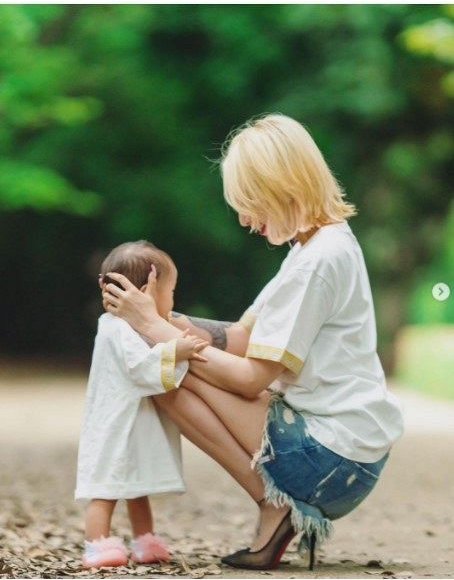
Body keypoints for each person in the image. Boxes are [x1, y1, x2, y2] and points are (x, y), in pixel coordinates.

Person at [102, 114, 404, 571]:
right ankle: (275, 505)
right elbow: (242, 336)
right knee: (165, 365)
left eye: (249, 203)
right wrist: (163, 317)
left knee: (165, 377)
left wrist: (155, 331)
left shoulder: (315, 264)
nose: (244, 220)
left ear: (281, 186)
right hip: (346, 455)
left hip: (331, 461)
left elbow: (248, 380)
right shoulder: (315, 245)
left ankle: (274, 504)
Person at [75, 241, 208, 568]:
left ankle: (144, 539)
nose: (173, 298)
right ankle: (97, 543)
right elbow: (139, 367)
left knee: (137, 488)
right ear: (148, 288)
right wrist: (175, 351)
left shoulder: (134, 327)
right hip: (116, 423)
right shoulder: (117, 328)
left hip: (134, 421)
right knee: (106, 486)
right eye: (171, 290)